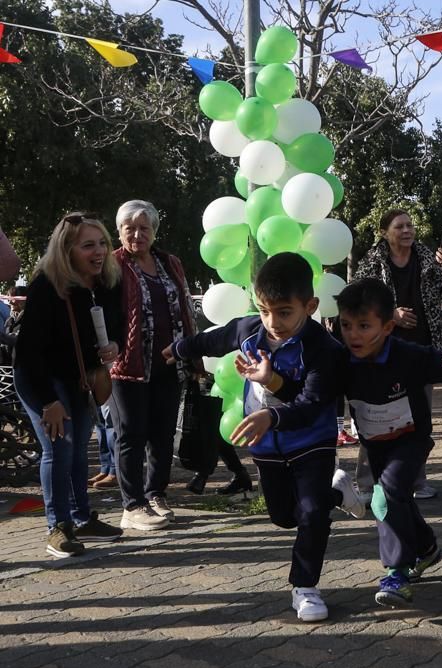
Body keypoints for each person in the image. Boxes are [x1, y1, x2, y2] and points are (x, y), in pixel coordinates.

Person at [165, 252, 365, 622]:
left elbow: (311, 403)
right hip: (267, 447)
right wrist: (179, 348)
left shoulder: (325, 349)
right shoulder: (249, 331)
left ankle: (305, 587)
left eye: (285, 312)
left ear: (310, 306)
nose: (273, 322)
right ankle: (337, 493)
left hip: (312, 442)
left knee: (311, 513)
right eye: (264, 310)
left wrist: (271, 398)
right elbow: (215, 339)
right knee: (283, 517)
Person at [335, 278, 442, 605]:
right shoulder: (340, 360)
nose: (353, 335)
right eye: (346, 325)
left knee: (384, 498)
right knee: (397, 498)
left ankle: (397, 573)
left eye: (364, 326)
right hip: (375, 446)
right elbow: (311, 387)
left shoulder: (409, 356)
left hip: (411, 441)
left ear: (388, 326)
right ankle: (427, 548)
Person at [15, 211, 124, 558]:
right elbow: (29, 353)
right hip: (41, 378)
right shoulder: (47, 286)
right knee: (59, 449)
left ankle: (81, 518)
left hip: (81, 377)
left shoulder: (107, 283)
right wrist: (48, 401)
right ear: (66, 250)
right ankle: (57, 527)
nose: (99, 251)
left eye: (102, 243)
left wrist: (115, 345)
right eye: (88, 245)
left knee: (77, 450)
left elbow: (119, 326)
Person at [353, 208, 442, 500]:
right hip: (381, 352)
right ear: (384, 232)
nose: (407, 231)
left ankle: (417, 481)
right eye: (399, 226)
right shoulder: (372, 261)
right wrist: (390, 314)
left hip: (420, 352)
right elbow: (356, 301)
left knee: (418, 420)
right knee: (375, 418)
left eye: (409, 225)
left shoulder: (428, 259)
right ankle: (366, 484)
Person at [108, 200, 198, 531]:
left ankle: (155, 495)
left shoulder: (169, 263)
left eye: (143, 228)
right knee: (131, 434)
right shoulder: (112, 264)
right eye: (129, 228)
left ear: (154, 231)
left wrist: (194, 352)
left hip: (168, 362)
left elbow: (186, 307)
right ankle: (132, 505)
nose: (136, 234)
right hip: (128, 365)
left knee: (162, 434)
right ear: (119, 232)